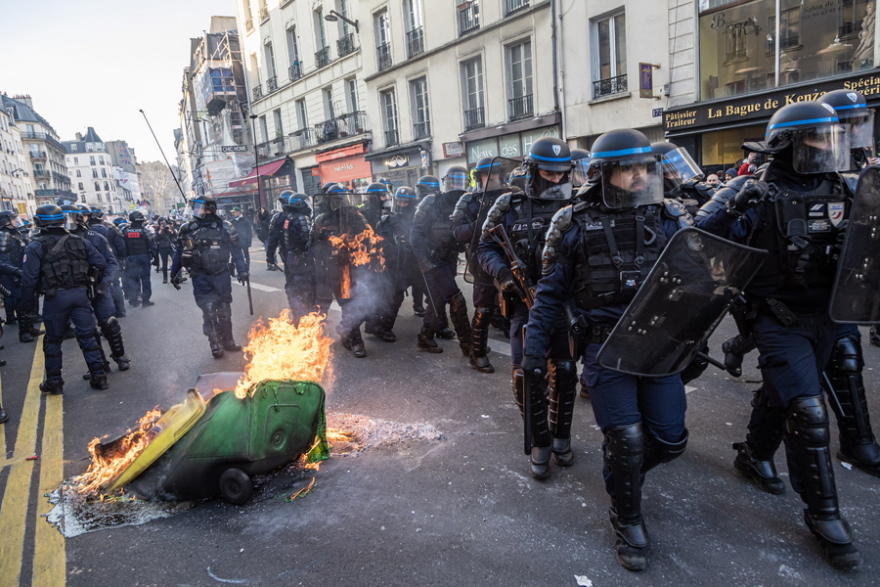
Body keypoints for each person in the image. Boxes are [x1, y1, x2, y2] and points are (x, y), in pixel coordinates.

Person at [697, 101, 862, 570]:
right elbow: (697, 239)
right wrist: (734, 206)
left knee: (784, 388)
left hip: (830, 312)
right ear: (788, 144)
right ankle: (824, 514)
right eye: (815, 139)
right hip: (778, 315)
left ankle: (753, 454)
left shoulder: (844, 188)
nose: (826, 148)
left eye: (830, 138)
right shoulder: (753, 189)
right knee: (807, 408)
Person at [523, 128, 692, 571]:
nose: (639, 176)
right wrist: (532, 355)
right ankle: (626, 515)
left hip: (658, 344)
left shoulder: (668, 215)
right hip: (605, 345)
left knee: (671, 440)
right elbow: (549, 295)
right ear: (603, 174)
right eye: (627, 169)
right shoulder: (572, 222)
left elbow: (699, 274)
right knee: (627, 437)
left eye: (644, 167)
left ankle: (622, 472)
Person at [478, 137, 578, 479]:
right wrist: (503, 275)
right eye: (548, 174)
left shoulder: (579, 203)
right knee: (526, 375)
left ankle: (561, 437)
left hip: (566, 304)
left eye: (560, 174)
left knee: (564, 372)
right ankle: (540, 440)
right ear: (533, 171)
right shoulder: (509, 206)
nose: (555, 180)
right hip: (523, 304)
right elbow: (485, 246)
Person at [20, 204, 109, 393]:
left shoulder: (35, 246)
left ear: (38, 222)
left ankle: (55, 382)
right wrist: (87, 278)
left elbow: (29, 280)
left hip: (55, 297)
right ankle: (99, 377)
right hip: (80, 295)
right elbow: (100, 262)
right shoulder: (79, 241)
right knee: (88, 337)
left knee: (52, 341)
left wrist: (26, 308)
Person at [170, 196, 248, 359]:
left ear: (210, 209)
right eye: (195, 208)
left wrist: (242, 270)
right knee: (209, 311)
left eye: (200, 208)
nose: (196, 211)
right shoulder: (187, 228)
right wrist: (174, 271)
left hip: (221, 274)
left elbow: (236, 250)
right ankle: (215, 344)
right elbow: (179, 252)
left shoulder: (225, 227)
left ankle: (228, 340)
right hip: (200, 276)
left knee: (225, 311)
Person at [452, 157, 510, 373]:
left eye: (494, 174)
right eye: (486, 175)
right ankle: (477, 353)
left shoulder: (513, 195)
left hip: (511, 257)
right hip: (482, 259)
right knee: (484, 308)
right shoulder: (470, 200)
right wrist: (481, 220)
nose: (490, 178)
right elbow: (458, 232)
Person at [311, 182, 377, 358]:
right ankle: (314, 339)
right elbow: (311, 245)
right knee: (321, 306)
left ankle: (355, 340)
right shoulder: (321, 219)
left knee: (351, 305)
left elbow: (369, 238)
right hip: (328, 268)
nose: (340, 202)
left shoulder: (355, 216)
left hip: (349, 267)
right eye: (336, 199)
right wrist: (321, 237)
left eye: (342, 198)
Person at [411, 166, 472, 354]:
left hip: (450, 259)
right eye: (454, 180)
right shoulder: (432, 202)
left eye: (461, 180)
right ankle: (469, 346)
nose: (457, 185)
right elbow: (415, 233)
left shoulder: (467, 202)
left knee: (437, 302)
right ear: (446, 182)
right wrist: (423, 260)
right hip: (433, 259)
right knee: (456, 300)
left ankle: (425, 337)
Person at [62, 205, 130, 372]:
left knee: (109, 323)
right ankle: (97, 364)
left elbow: (111, 264)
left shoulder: (95, 237)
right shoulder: (57, 242)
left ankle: (119, 355)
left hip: (98, 288)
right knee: (86, 332)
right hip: (77, 292)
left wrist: (104, 284)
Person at [266, 191, 315, 324]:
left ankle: (297, 316)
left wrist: (270, 256)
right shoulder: (301, 218)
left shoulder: (280, 217)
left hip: (287, 257)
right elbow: (309, 242)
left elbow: (272, 239)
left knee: (292, 287)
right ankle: (306, 318)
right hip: (302, 259)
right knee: (305, 288)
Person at [0, 210, 43, 342]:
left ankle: (30, 328)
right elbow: (3, 259)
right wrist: (15, 274)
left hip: (21, 271)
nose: (15, 221)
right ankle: (24, 333)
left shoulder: (16, 234)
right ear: (6, 222)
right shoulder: (2, 236)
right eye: (13, 219)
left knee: (28, 301)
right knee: (21, 304)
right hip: (12, 275)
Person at [87, 207, 127, 317]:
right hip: (111, 260)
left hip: (93, 264)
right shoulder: (110, 228)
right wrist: (122, 259)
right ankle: (119, 310)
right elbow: (121, 246)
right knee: (115, 284)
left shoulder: (84, 231)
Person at [121, 210, 157, 307]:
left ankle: (134, 300)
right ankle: (145, 301)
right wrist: (156, 259)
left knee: (133, 279)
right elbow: (152, 245)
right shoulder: (145, 231)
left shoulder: (125, 231)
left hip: (131, 258)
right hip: (144, 257)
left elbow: (122, 246)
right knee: (145, 279)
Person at [154, 217, 177, 284]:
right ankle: (165, 278)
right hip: (162, 247)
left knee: (175, 260)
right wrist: (160, 231)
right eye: (161, 223)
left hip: (170, 246)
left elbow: (175, 236)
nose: (163, 224)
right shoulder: (157, 229)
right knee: (164, 263)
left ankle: (177, 276)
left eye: (164, 223)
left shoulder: (169, 227)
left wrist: (171, 231)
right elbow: (155, 238)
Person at [229, 207, 253, 273]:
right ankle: (239, 270)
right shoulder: (231, 222)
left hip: (244, 241)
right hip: (235, 241)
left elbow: (249, 232)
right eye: (232, 212)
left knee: (246, 255)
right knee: (236, 256)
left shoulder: (245, 221)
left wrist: (249, 241)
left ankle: (247, 269)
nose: (233, 214)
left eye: (234, 212)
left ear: (238, 212)